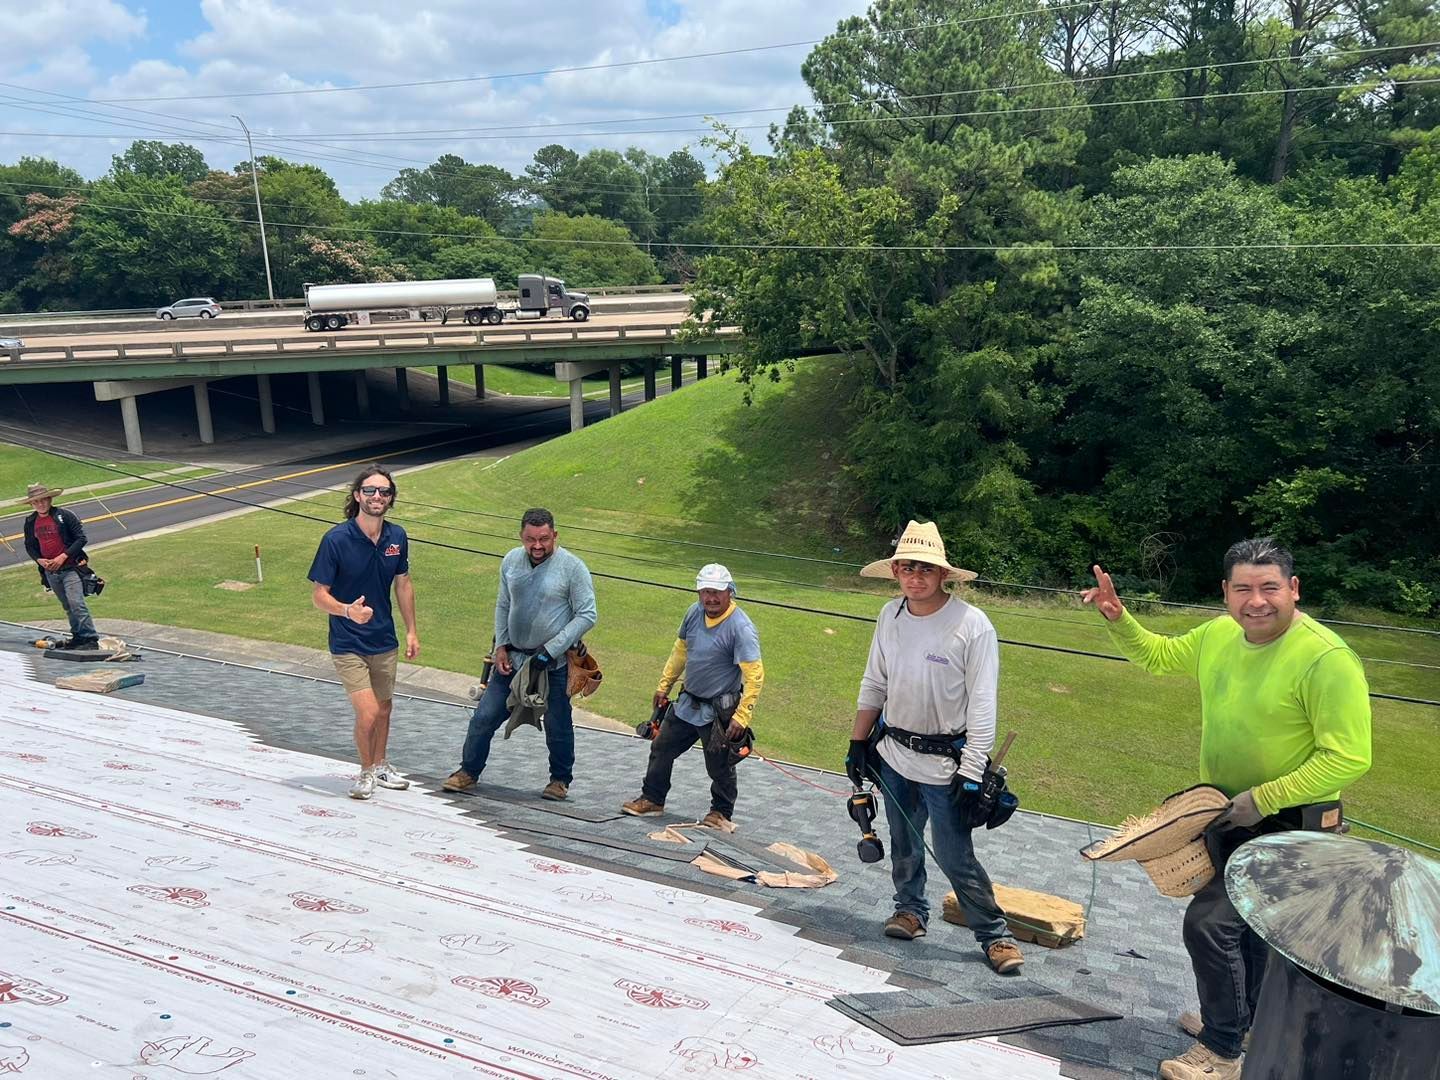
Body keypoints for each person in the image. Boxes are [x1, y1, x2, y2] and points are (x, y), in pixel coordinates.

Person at [1082, 538, 1371, 1080]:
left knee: (1211, 925)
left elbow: (1349, 757)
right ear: (1225, 593)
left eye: (1269, 588)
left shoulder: (1327, 659)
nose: (1255, 601)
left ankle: (1220, 1052)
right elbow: (1159, 656)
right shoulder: (1219, 635)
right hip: (1228, 813)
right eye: (1243, 588)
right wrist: (1118, 618)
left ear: (1293, 589)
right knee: (1249, 933)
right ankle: (1246, 1024)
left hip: (1295, 824)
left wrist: (1262, 799)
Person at [846, 520, 1024, 975]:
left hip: (947, 763)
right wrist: (858, 741)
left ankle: (993, 934)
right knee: (904, 841)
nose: (915, 577)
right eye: (907, 568)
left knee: (954, 854)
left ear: (943, 574)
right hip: (894, 755)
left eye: (925, 569)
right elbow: (874, 681)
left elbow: (983, 705)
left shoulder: (972, 626)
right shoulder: (891, 616)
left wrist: (972, 769)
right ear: (896, 572)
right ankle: (910, 911)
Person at [444, 508, 597, 801]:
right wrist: (500, 646)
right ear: (521, 537)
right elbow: (503, 605)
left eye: (543, 539)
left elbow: (587, 615)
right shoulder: (511, 561)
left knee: (557, 723)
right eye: (530, 539)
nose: (537, 546)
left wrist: (550, 650)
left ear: (555, 535)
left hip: (552, 665)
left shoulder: (573, 567)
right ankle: (468, 772)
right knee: (484, 717)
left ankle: (559, 780)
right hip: (513, 659)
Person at [621, 564, 764, 828]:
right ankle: (653, 798)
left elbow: (755, 675)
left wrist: (742, 716)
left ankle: (721, 812)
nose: (710, 598)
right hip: (688, 702)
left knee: (720, 765)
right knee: (661, 747)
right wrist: (664, 685)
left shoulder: (741, 628)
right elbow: (680, 651)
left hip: (720, 710)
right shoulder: (693, 613)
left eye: (717, 592)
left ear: (729, 592)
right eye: (705, 591)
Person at [308, 465, 420, 801]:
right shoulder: (336, 540)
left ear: (390, 499)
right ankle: (366, 772)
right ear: (357, 495)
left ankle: (382, 764)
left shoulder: (396, 537)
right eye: (370, 491)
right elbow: (319, 595)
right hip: (347, 642)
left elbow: (403, 583)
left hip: (384, 639)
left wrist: (412, 631)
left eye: (384, 492)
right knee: (368, 712)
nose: (377, 497)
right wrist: (346, 610)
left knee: (384, 708)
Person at [21, 483, 99, 650]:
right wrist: (39, 560)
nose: (41, 504)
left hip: (71, 568)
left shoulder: (65, 515)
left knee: (76, 602)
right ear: (31, 504)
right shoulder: (30, 522)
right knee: (67, 605)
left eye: (43, 500)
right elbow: (30, 546)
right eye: (36, 502)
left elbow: (81, 538)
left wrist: (63, 556)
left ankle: (90, 639)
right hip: (50, 571)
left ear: (50, 499)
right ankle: (78, 636)